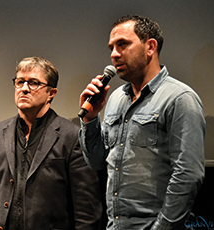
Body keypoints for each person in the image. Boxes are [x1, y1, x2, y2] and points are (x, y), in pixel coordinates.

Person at [79, 15, 205, 229]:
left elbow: (188, 174)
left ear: (150, 47)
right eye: (111, 48)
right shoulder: (116, 98)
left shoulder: (179, 98)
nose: (114, 54)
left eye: (122, 44)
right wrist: (90, 119)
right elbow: (97, 162)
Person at [0, 57, 103, 230]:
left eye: (33, 83)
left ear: (51, 93)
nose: (24, 89)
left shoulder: (71, 136)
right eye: (20, 82)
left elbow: (87, 210)